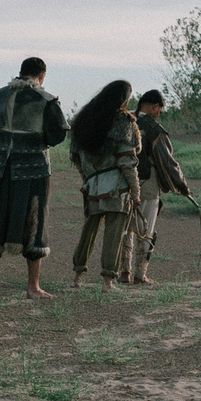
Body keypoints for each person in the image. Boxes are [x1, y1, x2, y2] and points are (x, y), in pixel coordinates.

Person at [0, 57, 67, 298]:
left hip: (2, 168)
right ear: (42, 75)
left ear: (21, 71)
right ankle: (33, 287)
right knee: (36, 221)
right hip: (34, 170)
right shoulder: (46, 99)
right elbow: (57, 135)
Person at [65, 79, 138, 292]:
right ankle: (108, 281)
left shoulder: (84, 120)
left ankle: (77, 277)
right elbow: (127, 161)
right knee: (114, 234)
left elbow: (75, 156)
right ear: (124, 99)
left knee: (88, 232)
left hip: (92, 185)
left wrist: (87, 179)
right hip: (117, 186)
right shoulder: (123, 121)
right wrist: (135, 190)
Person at [123, 89, 190, 284]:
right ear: (154, 106)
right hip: (147, 182)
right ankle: (139, 274)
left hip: (122, 183)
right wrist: (182, 186)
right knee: (146, 229)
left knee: (125, 228)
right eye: (160, 109)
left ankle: (123, 273)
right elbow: (168, 162)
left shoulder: (123, 121)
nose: (159, 113)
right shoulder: (154, 129)